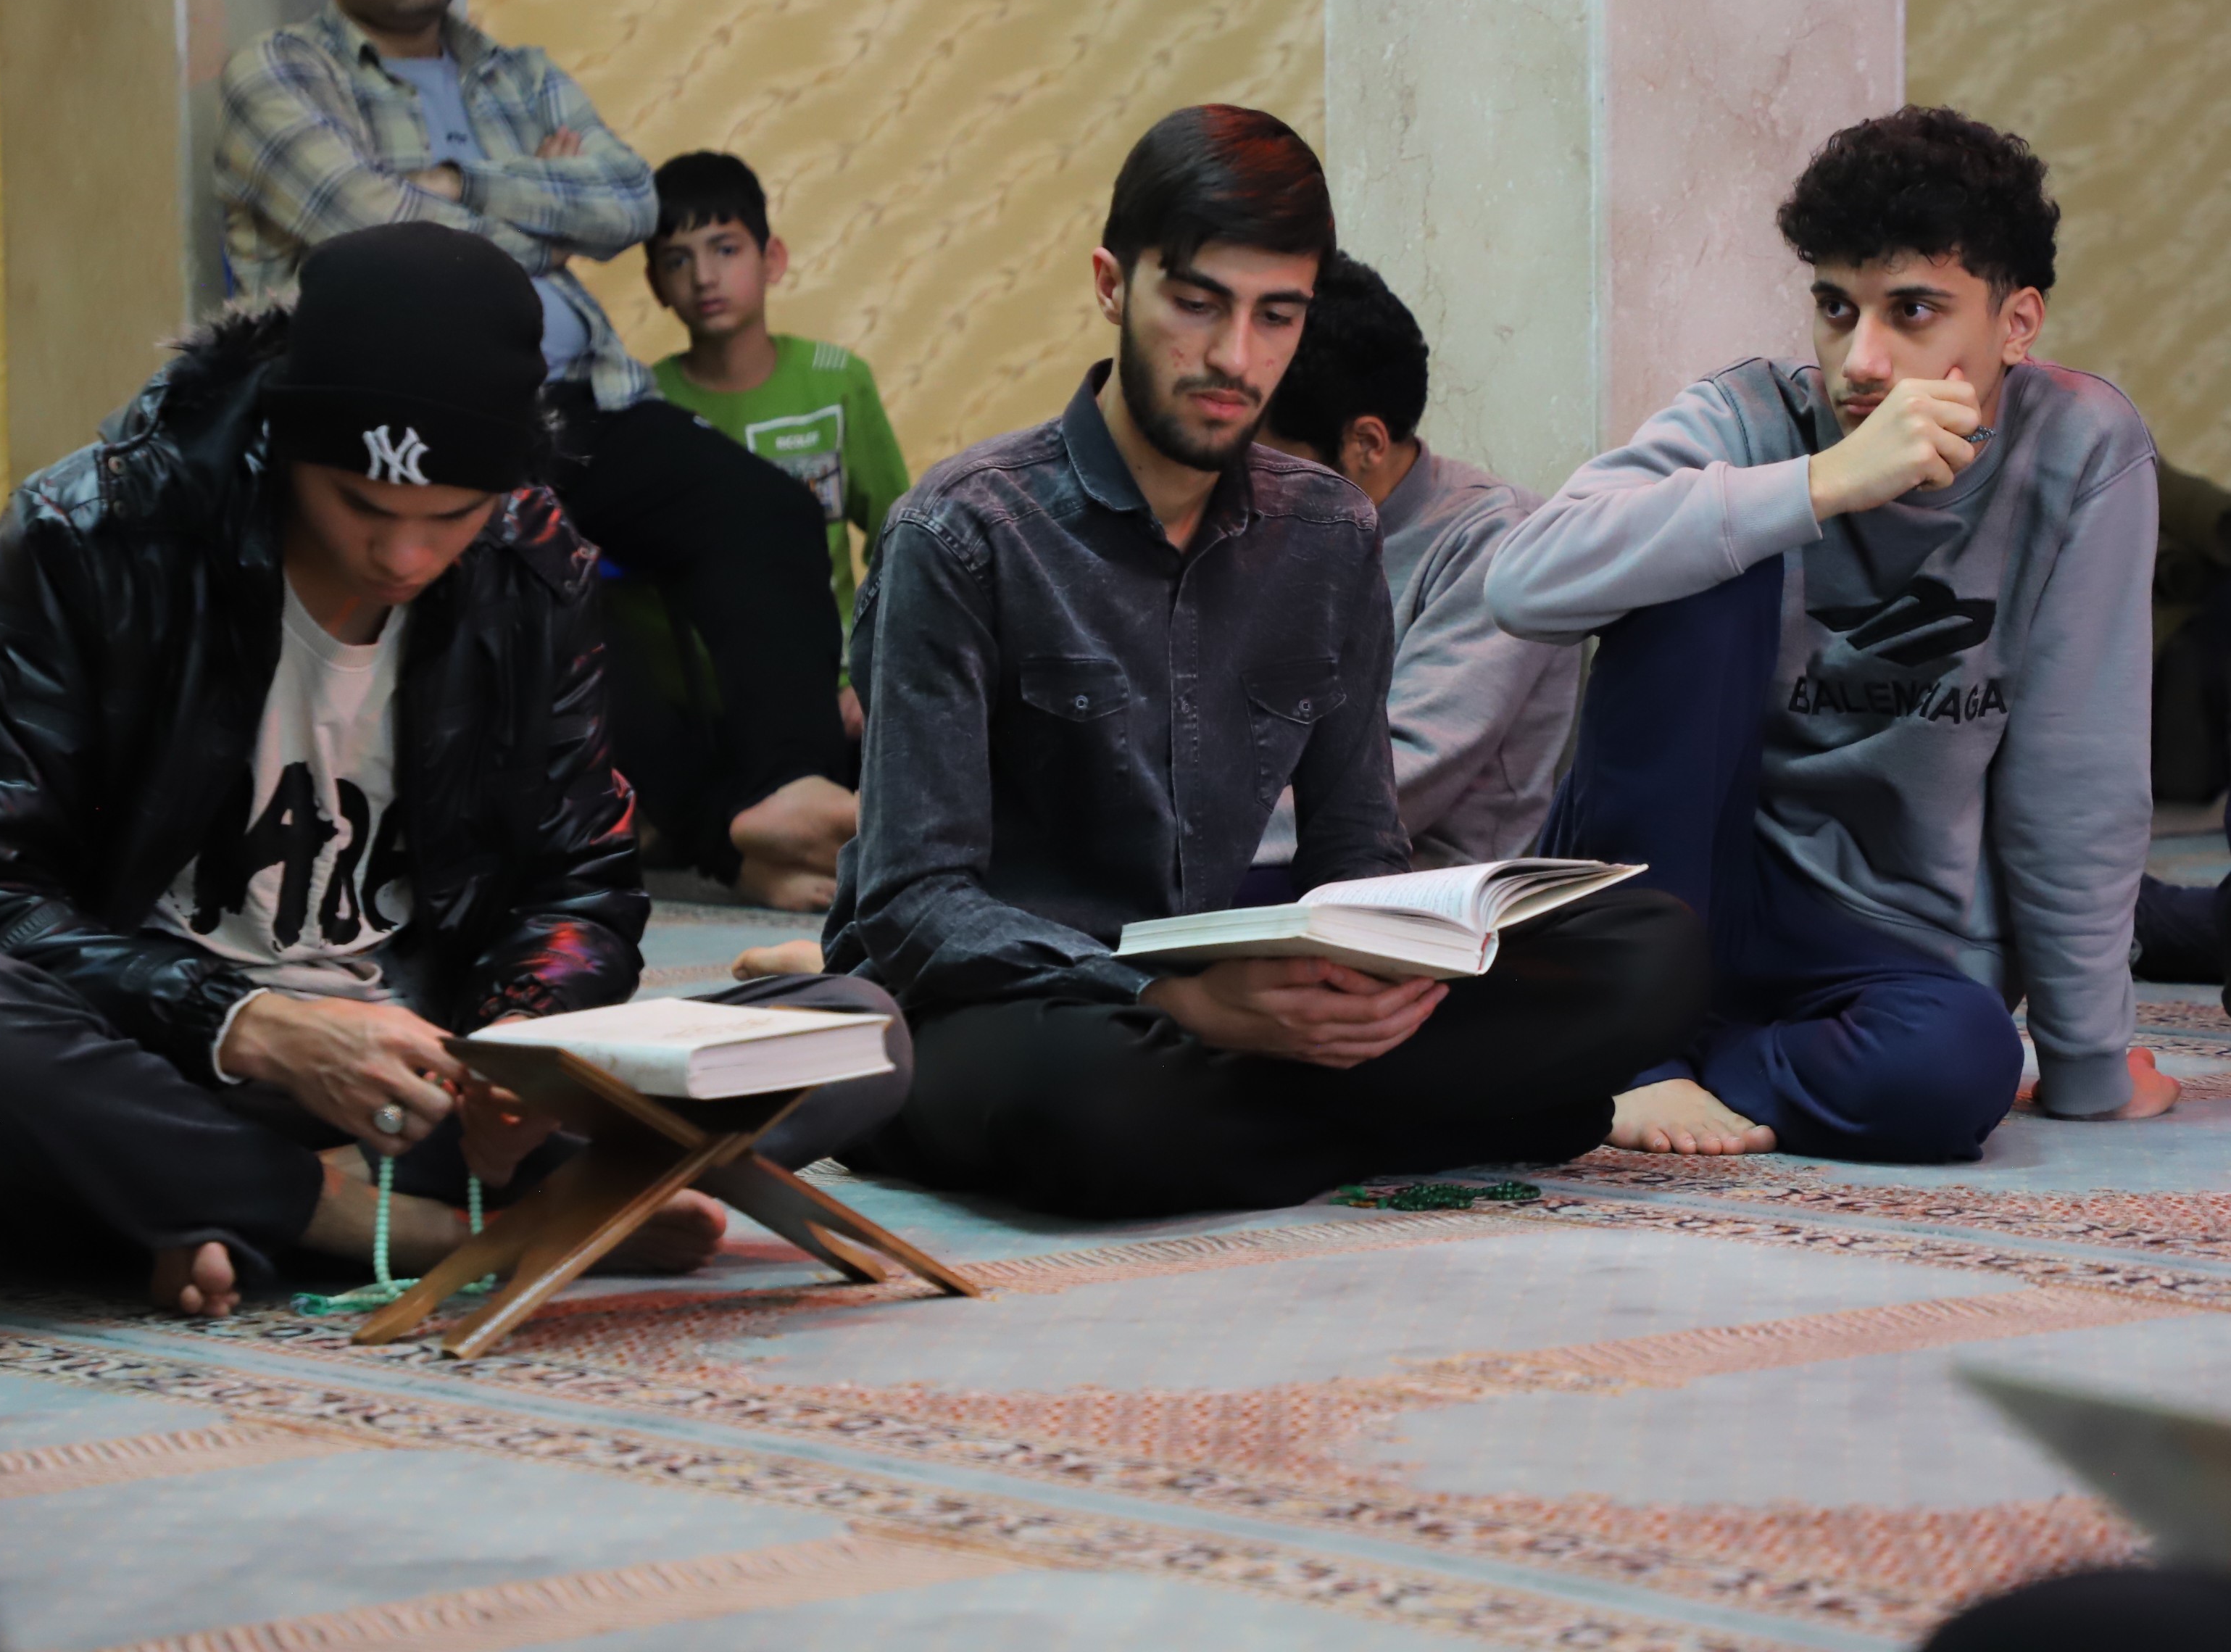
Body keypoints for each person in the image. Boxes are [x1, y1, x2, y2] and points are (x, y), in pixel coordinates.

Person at [0, 224, 910, 1319]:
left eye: (451, 516)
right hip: (155, 1059)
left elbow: (575, 887)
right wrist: (251, 1022)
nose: (406, 554)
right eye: (361, 506)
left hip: (411, 1086)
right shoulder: (94, 538)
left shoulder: (530, 564)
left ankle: (210, 1208)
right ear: (286, 442)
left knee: (857, 1027)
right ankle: (376, 1220)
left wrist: (518, 1049)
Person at [823, 105, 1707, 1219]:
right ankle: (1430, 1117)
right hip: (1006, 1003)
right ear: (1112, 284)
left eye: (1275, 315)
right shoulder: (959, 533)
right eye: (1198, 304)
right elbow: (916, 908)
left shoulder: (1330, 531)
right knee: (1094, 1104)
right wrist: (1175, 1000)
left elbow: (1358, 849)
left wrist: (1370, 972)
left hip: (1220, 999)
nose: (1235, 359)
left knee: (1652, 950)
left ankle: (1292, 1114)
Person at [1488, 106, 2176, 1162]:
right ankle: (1635, 1054)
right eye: (1835, 307)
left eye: (1913, 311)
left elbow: (2078, 772)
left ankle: (1684, 1057)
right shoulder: (1752, 418)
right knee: (1706, 556)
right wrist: (1818, 484)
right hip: (1675, 882)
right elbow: (1523, 583)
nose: (1862, 359)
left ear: (2016, 324)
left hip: (1879, 939)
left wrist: (2088, 1062)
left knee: (1960, 1067)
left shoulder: (2080, 449)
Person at [215, 0, 851, 910]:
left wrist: (459, 186)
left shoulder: (519, 73)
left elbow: (632, 201)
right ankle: (723, 835)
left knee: (766, 513)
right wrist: (545, 207)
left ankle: (787, 796)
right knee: (545, 587)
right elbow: (381, 232)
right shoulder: (276, 78)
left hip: (586, 399)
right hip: (419, 428)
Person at [1250, 251, 1576, 883]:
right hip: (1266, 863)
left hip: (1413, 894)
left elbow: (1405, 777)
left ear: (1366, 444)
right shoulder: (1273, 532)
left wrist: (1174, 846)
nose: (1238, 482)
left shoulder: (1496, 542)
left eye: (1262, 458)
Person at [647, 149, 913, 739]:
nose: (704, 277)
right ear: (655, 283)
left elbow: (902, 541)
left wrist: (872, 671)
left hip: (829, 699)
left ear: (772, 259)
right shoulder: (645, 404)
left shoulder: (838, 382)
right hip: (699, 714)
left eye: (725, 249)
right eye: (677, 260)